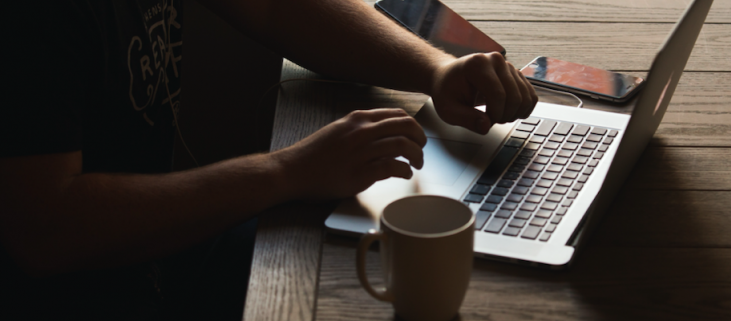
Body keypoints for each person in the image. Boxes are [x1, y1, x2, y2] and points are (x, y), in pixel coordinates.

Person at [0, 0, 537, 319]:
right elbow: (48, 228)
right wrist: (289, 170)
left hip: (162, 256)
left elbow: (274, 6)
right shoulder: (30, 18)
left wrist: (435, 70)